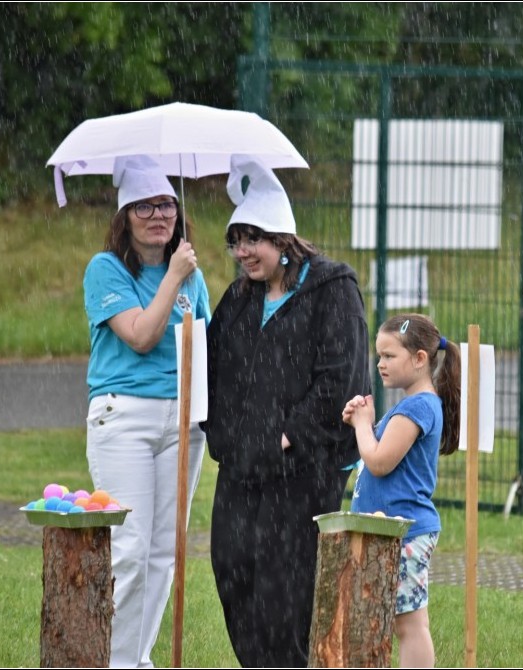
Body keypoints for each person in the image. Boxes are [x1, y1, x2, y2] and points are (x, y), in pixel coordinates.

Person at [202, 154, 371, 668]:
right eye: (235, 241)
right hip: (242, 464)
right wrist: (226, 438)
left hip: (303, 468)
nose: (242, 252)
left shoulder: (332, 290)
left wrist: (287, 435)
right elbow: (212, 373)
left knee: (284, 592)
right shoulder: (238, 299)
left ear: (282, 239)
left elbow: (341, 377)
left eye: (252, 239)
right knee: (233, 570)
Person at [82, 155, 210, 668]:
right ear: (125, 216)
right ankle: (114, 661)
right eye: (144, 206)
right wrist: (173, 276)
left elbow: (205, 348)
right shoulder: (105, 269)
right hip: (125, 419)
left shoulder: (193, 278)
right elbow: (140, 336)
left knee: (164, 552)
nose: (158, 215)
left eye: (167, 205)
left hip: (183, 422)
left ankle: (137, 659)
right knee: (131, 548)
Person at [343, 313, 461, 669]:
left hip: (404, 531)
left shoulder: (417, 407)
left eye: (389, 355)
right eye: (379, 355)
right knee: (393, 621)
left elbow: (379, 461)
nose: (380, 363)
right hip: (387, 528)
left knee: (409, 625)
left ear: (420, 358)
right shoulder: (410, 405)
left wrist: (362, 425)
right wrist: (363, 421)